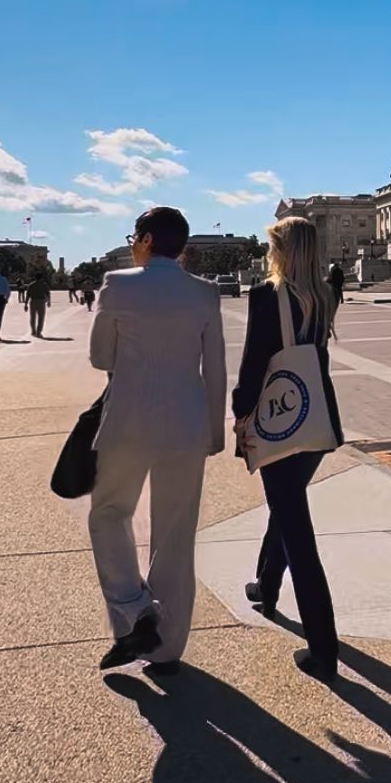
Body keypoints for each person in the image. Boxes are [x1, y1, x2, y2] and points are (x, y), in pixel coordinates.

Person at [88, 205, 226, 672]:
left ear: (146, 240)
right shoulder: (205, 292)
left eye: (134, 237)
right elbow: (216, 368)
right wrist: (214, 430)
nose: (131, 244)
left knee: (109, 514)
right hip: (187, 423)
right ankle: (165, 649)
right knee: (175, 536)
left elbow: (100, 356)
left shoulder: (118, 284)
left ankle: (134, 609)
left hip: (127, 422)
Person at [233, 215, 343, 680]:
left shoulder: (266, 297)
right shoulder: (325, 295)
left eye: (272, 244)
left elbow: (254, 365)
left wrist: (240, 414)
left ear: (282, 249)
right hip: (316, 421)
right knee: (286, 506)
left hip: (279, 421)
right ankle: (267, 586)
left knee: (297, 532)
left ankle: (323, 648)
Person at [27, 271, 51, 337]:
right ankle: (39, 332)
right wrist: (49, 301)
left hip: (33, 301)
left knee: (32, 317)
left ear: (35, 277)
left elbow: (28, 295)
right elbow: (48, 293)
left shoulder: (31, 285)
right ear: (42, 278)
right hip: (41, 301)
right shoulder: (44, 285)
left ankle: (33, 331)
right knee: (41, 317)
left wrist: (26, 304)